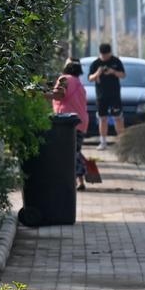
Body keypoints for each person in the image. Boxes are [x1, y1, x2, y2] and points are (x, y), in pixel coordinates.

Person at [48, 58, 89, 191]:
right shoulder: (79, 84)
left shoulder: (64, 79)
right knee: (75, 151)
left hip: (67, 122)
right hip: (81, 122)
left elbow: (59, 95)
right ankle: (80, 180)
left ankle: (74, 179)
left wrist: (39, 94)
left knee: (68, 152)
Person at [87, 42, 126, 150]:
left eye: (106, 55)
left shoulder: (116, 61)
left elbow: (123, 75)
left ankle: (121, 143)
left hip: (114, 95)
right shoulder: (95, 63)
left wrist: (113, 72)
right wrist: (97, 73)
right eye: (103, 55)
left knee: (117, 118)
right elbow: (90, 78)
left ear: (110, 53)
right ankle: (103, 142)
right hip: (101, 96)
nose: (104, 58)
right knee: (102, 118)